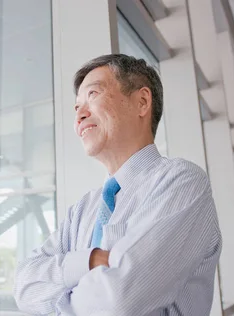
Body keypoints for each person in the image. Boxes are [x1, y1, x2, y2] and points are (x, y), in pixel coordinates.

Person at [13, 54, 222, 315]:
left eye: (93, 95)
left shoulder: (181, 183)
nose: (79, 114)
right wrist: (89, 260)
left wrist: (60, 293)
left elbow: (117, 302)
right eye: (76, 107)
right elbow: (23, 286)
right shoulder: (83, 209)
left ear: (142, 102)